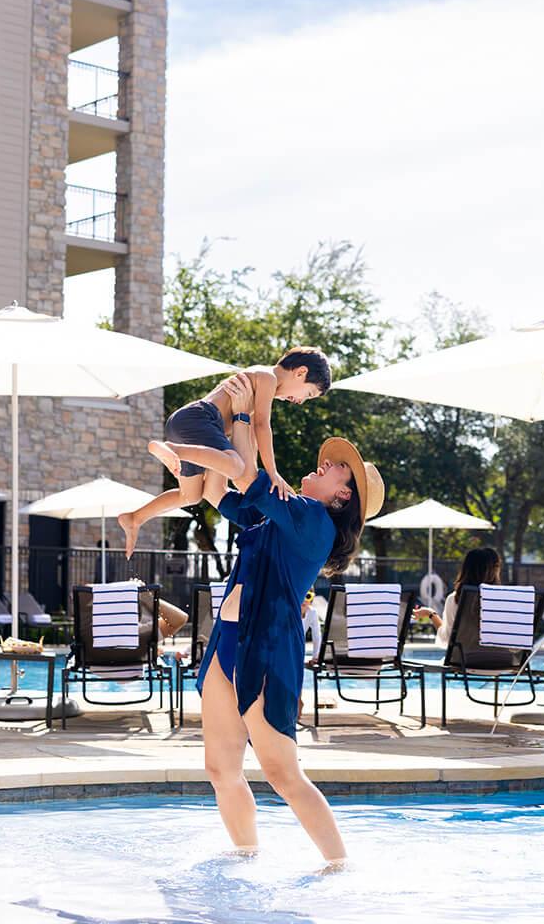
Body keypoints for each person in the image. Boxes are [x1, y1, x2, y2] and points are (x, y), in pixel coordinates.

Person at [199, 376, 384, 867]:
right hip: (227, 640)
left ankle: (340, 867)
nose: (326, 464)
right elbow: (221, 491)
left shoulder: (313, 521)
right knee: (220, 769)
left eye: (337, 469)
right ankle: (244, 857)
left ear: (342, 497)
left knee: (282, 774)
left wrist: (244, 415)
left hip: (267, 648)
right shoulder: (281, 516)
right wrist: (222, 421)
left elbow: (244, 475)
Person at [118, 347, 331, 558]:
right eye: (308, 393)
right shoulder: (267, 378)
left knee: (191, 496)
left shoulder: (260, 387)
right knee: (236, 466)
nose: (302, 401)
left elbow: (252, 443)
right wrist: (273, 473)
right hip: (200, 419)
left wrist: (257, 475)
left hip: (191, 429)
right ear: (300, 372)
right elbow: (261, 426)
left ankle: (135, 518)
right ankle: (170, 449)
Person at [414, 547, 501, 647]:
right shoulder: (504, 600)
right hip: (502, 661)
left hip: (463, 661)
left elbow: (446, 641)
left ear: (466, 569)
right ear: (496, 569)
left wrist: (431, 614)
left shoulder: (456, 599)